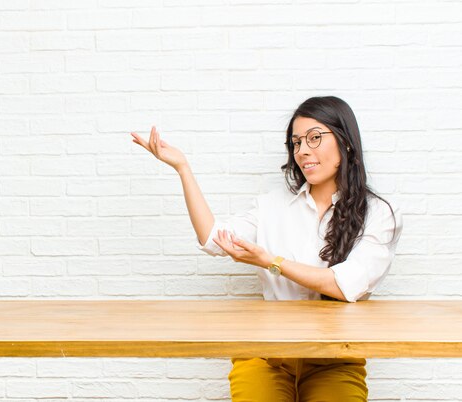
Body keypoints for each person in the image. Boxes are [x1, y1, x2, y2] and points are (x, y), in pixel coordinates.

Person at [130, 96, 403, 402]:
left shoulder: (378, 214)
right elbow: (212, 238)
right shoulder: (274, 205)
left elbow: (345, 285)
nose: (303, 151)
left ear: (346, 142)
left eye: (314, 138)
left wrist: (271, 261)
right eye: (296, 142)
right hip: (266, 352)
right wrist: (183, 168)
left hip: (335, 358)